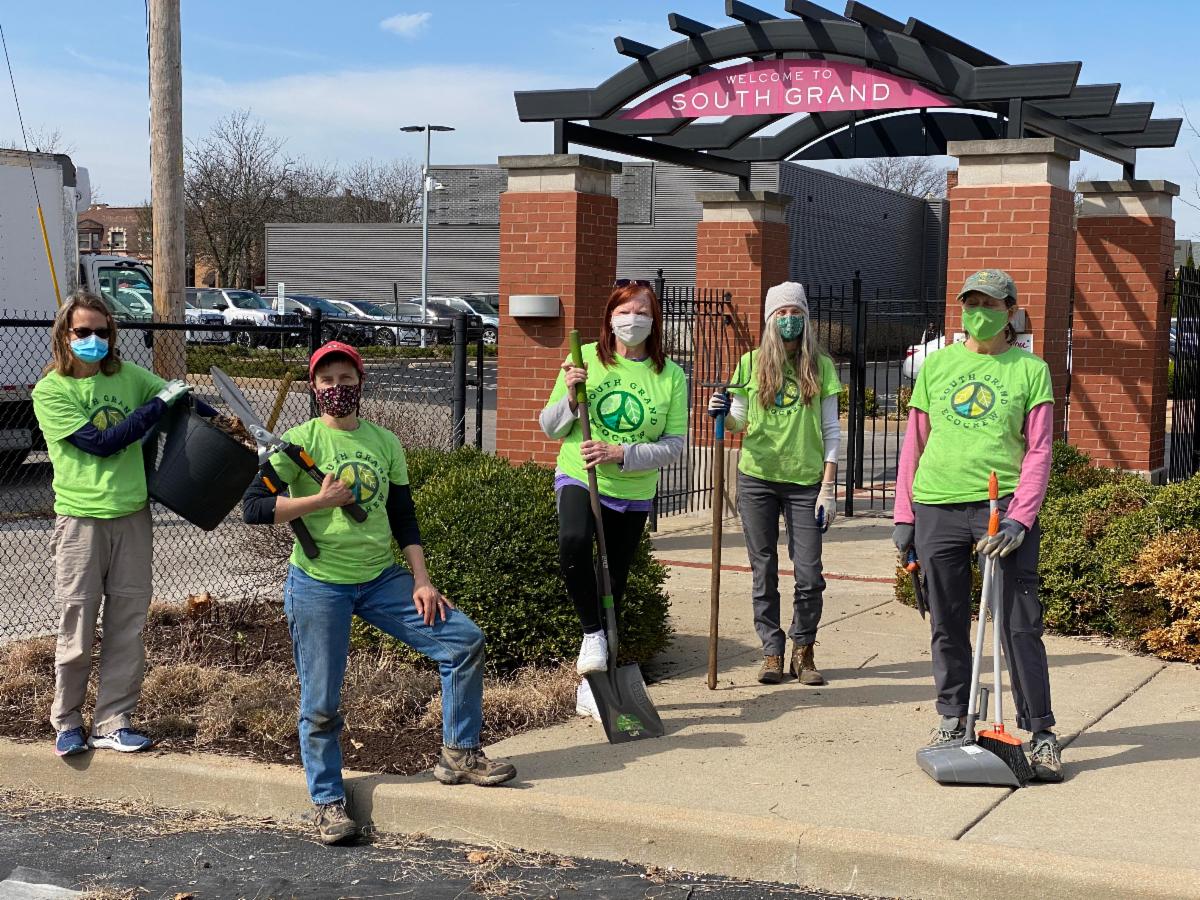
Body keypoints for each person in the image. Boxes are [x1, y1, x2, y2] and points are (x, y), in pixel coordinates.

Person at [242, 341, 516, 846]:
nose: (337, 389)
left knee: (462, 640)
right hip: (319, 584)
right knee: (321, 702)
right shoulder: (297, 443)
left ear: (360, 385)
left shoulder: (385, 443)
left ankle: (460, 753)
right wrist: (317, 501)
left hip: (380, 578)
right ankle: (327, 802)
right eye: (328, 381)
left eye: (347, 380)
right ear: (314, 388)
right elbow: (254, 507)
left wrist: (422, 579)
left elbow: (404, 516)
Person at [893, 269, 1061, 782]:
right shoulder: (938, 366)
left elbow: (1039, 451)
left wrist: (1020, 518)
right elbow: (913, 444)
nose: (977, 312)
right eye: (970, 303)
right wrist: (904, 515)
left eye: (989, 303)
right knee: (945, 622)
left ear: (1010, 310)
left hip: (1000, 509)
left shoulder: (1031, 370)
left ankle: (1041, 734)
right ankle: (953, 719)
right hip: (936, 505)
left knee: (1018, 624)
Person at [32, 290, 193, 757]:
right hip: (81, 520)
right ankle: (67, 722)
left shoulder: (126, 376)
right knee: (77, 625)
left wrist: (216, 422)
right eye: (83, 332)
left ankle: (112, 721)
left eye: (103, 332)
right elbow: (101, 443)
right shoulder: (52, 391)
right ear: (65, 335)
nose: (94, 340)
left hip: (132, 515)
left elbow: (174, 398)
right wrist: (157, 406)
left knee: (127, 624)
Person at [539, 281, 687, 721]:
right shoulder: (582, 359)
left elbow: (675, 445)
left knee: (612, 585)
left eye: (641, 311)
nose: (631, 319)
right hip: (580, 476)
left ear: (653, 319)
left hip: (631, 490)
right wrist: (569, 396)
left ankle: (595, 684)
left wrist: (622, 453)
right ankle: (591, 638)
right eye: (623, 311)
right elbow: (550, 427)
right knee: (572, 541)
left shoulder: (670, 376)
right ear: (609, 318)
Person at [707, 283, 842, 686]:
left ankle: (803, 650)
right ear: (770, 320)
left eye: (794, 313)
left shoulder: (821, 366)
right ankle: (772, 651)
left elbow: (832, 430)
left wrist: (829, 486)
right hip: (758, 479)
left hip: (806, 482)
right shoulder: (750, 365)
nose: (788, 320)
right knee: (763, 569)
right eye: (780, 314)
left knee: (809, 573)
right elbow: (739, 423)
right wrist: (723, 413)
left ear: (805, 317)